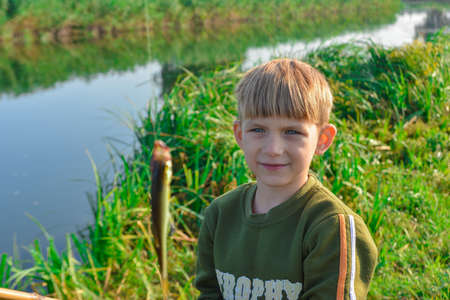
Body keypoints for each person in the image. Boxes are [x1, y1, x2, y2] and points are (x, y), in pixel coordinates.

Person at [194, 58, 378, 300]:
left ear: (323, 139)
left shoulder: (332, 226)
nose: (273, 149)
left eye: (292, 132)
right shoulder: (220, 214)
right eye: (258, 130)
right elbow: (209, 292)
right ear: (240, 135)